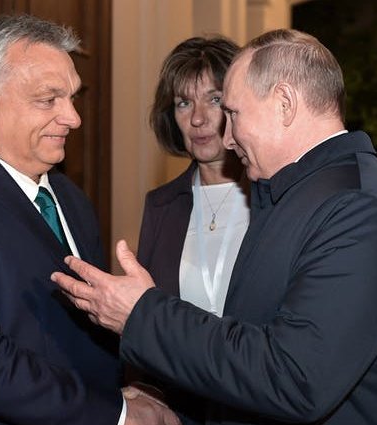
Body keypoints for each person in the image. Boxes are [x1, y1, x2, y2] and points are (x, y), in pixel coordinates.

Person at [53, 28, 377, 424]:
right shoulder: (298, 192)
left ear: (284, 104)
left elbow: (295, 377)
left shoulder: (356, 209)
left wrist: (142, 314)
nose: (226, 138)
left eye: (233, 114)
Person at [0, 15, 178, 425]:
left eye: (72, 97)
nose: (73, 117)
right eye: (48, 99)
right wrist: (118, 413)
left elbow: (78, 332)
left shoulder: (70, 199)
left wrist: (125, 386)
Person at [136, 36, 247, 424]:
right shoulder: (161, 206)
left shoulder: (275, 202)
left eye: (214, 99)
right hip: (183, 410)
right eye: (184, 102)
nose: (198, 118)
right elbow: (146, 321)